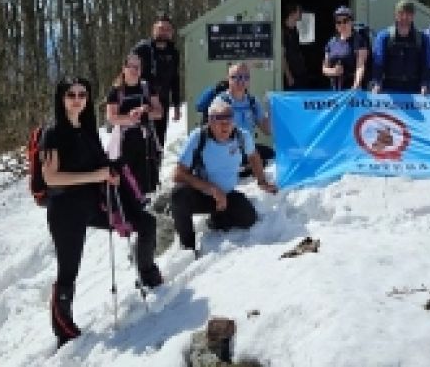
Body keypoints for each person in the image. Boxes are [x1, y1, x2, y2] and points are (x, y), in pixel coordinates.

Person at [42, 76, 161, 348]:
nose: (76, 99)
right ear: (61, 99)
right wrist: (96, 174)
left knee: (145, 222)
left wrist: (112, 171)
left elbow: (100, 160)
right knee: (68, 270)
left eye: (82, 94)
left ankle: (148, 273)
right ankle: (64, 331)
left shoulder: (87, 128)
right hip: (65, 210)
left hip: (93, 204)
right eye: (70, 94)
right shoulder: (53, 133)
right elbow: (51, 178)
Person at [171, 97, 278, 249]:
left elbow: (254, 156)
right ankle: (188, 246)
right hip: (202, 194)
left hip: (227, 195)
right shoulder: (198, 137)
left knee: (249, 219)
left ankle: (216, 220)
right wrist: (212, 189)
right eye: (219, 121)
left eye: (229, 121)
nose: (225, 126)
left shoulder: (242, 136)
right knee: (178, 195)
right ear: (210, 121)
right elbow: (178, 174)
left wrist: (262, 181)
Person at [106, 54, 164, 194]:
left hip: (146, 139)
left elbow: (159, 112)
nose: (134, 70)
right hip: (125, 141)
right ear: (124, 68)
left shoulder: (147, 88)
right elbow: (111, 118)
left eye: (137, 67)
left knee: (148, 178)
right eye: (130, 66)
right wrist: (130, 118)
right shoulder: (116, 91)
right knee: (128, 179)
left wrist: (145, 112)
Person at [132, 14, 181, 149]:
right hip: (141, 100)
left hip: (162, 102)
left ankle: (156, 169)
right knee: (141, 141)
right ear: (153, 30)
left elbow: (175, 79)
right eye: (161, 28)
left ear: (171, 32)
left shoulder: (173, 53)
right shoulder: (142, 49)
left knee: (158, 142)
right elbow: (128, 72)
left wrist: (176, 105)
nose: (164, 32)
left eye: (167, 29)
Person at [218, 62, 275, 171]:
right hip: (227, 151)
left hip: (247, 149)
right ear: (228, 79)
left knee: (272, 155)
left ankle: (248, 168)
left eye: (246, 77)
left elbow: (267, 130)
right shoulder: (220, 102)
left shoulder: (252, 102)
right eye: (237, 77)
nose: (242, 81)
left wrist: (270, 108)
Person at [371, 0, 430, 94]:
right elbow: (378, 62)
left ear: (413, 16)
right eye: (401, 13)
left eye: (408, 14)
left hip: (415, 89)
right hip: (390, 88)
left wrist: (425, 84)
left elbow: (426, 64)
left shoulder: (423, 38)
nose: (404, 17)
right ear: (396, 15)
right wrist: (377, 83)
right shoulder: (384, 36)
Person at [321, 6, 369, 90]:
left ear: (351, 22)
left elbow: (360, 66)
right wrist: (333, 71)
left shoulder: (359, 41)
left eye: (345, 21)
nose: (342, 24)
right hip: (335, 89)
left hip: (352, 88)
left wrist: (356, 86)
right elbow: (324, 68)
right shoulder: (331, 42)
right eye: (338, 22)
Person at [282, 4, 308, 89]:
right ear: (292, 13)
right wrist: (289, 76)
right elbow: (282, 56)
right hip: (291, 76)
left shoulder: (295, 30)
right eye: (299, 11)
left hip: (300, 73)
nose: (301, 13)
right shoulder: (283, 31)